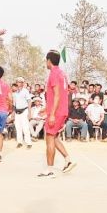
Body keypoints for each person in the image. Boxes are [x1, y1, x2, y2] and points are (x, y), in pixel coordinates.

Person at [39, 50, 76, 178]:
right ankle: (68, 160)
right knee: (54, 138)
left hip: (57, 111)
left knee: (49, 138)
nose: (45, 62)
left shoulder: (54, 74)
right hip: (61, 110)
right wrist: (47, 108)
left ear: (49, 60)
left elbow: (57, 95)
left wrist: (52, 113)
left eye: (46, 60)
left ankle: (49, 170)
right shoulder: (62, 74)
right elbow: (58, 95)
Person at [12, 77, 34, 148]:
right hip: (17, 111)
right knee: (18, 127)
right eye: (18, 82)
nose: (19, 83)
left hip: (24, 110)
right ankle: (20, 142)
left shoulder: (25, 91)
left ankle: (29, 143)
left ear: (23, 83)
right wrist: (13, 113)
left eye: (21, 82)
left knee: (25, 127)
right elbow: (14, 103)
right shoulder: (14, 92)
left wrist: (29, 113)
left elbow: (29, 101)